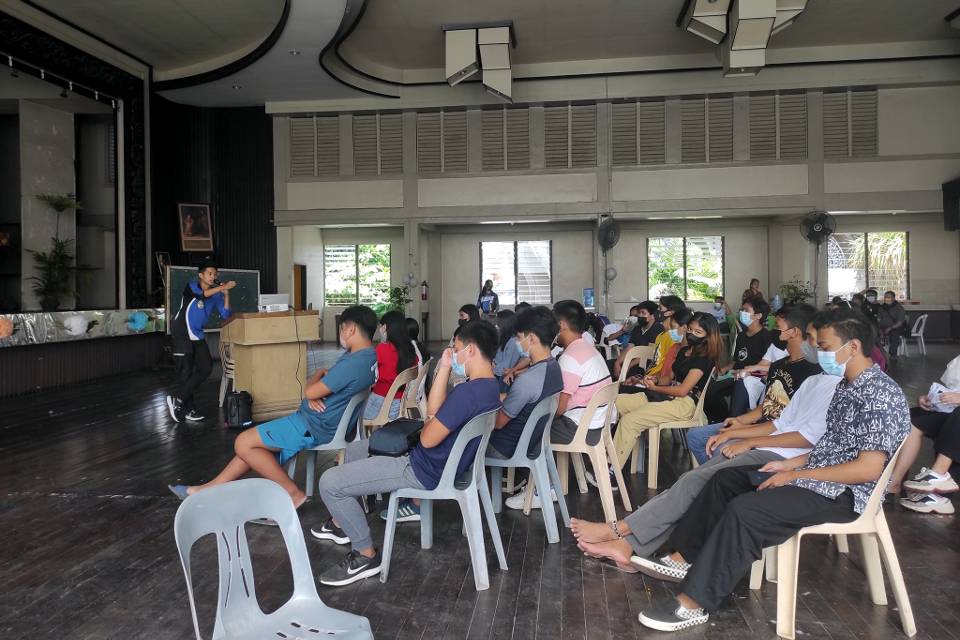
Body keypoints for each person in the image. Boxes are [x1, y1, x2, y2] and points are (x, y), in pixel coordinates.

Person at [633, 309, 910, 632]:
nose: (819, 352)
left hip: (845, 494)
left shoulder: (879, 395)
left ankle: (694, 603)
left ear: (853, 347)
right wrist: (787, 464)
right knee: (726, 479)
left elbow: (866, 469)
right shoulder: (846, 388)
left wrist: (795, 475)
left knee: (746, 510)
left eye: (824, 345)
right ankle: (687, 558)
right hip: (819, 477)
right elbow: (826, 449)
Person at [570, 318, 839, 570]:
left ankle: (621, 533)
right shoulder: (816, 381)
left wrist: (748, 441)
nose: (813, 347)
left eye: (819, 342)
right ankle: (626, 541)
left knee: (697, 482)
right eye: (816, 341)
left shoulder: (836, 386)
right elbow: (779, 422)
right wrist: (739, 433)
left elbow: (806, 438)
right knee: (693, 477)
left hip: (784, 458)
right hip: (767, 446)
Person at [310, 320, 501, 586]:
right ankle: (350, 513)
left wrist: (432, 422)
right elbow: (435, 413)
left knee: (329, 483)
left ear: (470, 350)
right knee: (358, 449)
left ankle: (365, 554)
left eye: (455, 348)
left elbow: (428, 438)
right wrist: (445, 366)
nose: (452, 352)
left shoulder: (468, 394)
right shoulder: (490, 387)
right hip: (441, 463)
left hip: (420, 468)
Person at [167, 305, 378, 507]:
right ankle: (204, 491)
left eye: (341, 328)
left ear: (350, 329)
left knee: (243, 442)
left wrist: (315, 380)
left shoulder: (353, 362)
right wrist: (317, 387)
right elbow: (330, 384)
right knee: (252, 448)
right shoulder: (366, 356)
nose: (341, 334)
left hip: (313, 425)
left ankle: (293, 493)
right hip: (324, 421)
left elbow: (312, 390)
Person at [686, 305, 822, 464]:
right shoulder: (778, 365)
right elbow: (766, 405)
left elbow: (789, 423)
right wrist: (740, 420)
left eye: (778, 327)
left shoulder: (812, 372)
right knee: (695, 437)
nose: (773, 331)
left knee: (720, 449)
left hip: (774, 432)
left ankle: (716, 475)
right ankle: (714, 474)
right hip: (759, 424)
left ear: (793, 332)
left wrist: (743, 431)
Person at [611, 312, 723, 470]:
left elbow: (683, 390)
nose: (691, 334)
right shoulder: (684, 352)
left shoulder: (703, 359)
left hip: (684, 404)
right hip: (665, 395)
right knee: (614, 403)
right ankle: (602, 452)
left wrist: (657, 388)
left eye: (697, 332)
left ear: (708, 336)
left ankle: (611, 470)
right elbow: (669, 378)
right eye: (690, 330)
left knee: (630, 421)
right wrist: (655, 380)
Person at [490, 307, 565, 509]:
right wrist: (499, 396)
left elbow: (497, 423)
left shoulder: (528, 380)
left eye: (519, 337)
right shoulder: (553, 367)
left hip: (506, 447)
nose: (517, 342)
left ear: (531, 338)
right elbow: (523, 398)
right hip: (533, 440)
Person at [889, 354, 960, 514]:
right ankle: (894, 481)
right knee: (911, 417)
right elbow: (950, 389)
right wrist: (932, 399)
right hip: (953, 414)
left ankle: (938, 477)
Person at [167, 258, 235, 423]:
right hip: (182, 332)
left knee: (206, 367)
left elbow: (226, 315)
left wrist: (226, 295)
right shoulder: (191, 286)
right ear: (201, 275)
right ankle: (188, 408)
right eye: (209, 273)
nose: (213, 276)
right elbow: (201, 295)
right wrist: (223, 286)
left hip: (197, 334)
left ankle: (179, 399)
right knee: (186, 371)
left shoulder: (217, 293)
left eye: (215, 274)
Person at [704, 296, 772, 422]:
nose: (742, 313)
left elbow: (765, 368)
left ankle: (728, 421)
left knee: (714, 390)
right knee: (707, 387)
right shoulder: (741, 336)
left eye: (746, 310)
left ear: (758, 316)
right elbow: (736, 361)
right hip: (733, 374)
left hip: (751, 378)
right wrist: (722, 369)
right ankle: (720, 420)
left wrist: (745, 372)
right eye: (742, 309)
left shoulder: (766, 337)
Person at [365, 311, 419, 422]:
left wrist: (382, 341)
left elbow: (369, 372)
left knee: (356, 412)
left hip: (380, 401)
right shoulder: (410, 349)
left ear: (385, 328)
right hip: (401, 403)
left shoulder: (382, 349)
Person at [493, 309, 523, 390]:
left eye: (498, 323)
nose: (496, 326)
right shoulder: (505, 338)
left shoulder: (513, 341)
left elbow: (507, 365)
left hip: (504, 377)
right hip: (498, 374)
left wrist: (492, 368)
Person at [877, 290, 907, 360]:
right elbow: (878, 319)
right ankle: (878, 353)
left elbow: (900, 322)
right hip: (882, 327)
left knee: (894, 335)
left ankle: (893, 354)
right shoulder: (881, 307)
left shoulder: (898, 307)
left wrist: (890, 328)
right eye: (885, 297)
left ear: (893, 298)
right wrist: (880, 330)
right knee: (874, 334)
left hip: (895, 327)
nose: (887, 298)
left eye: (889, 297)